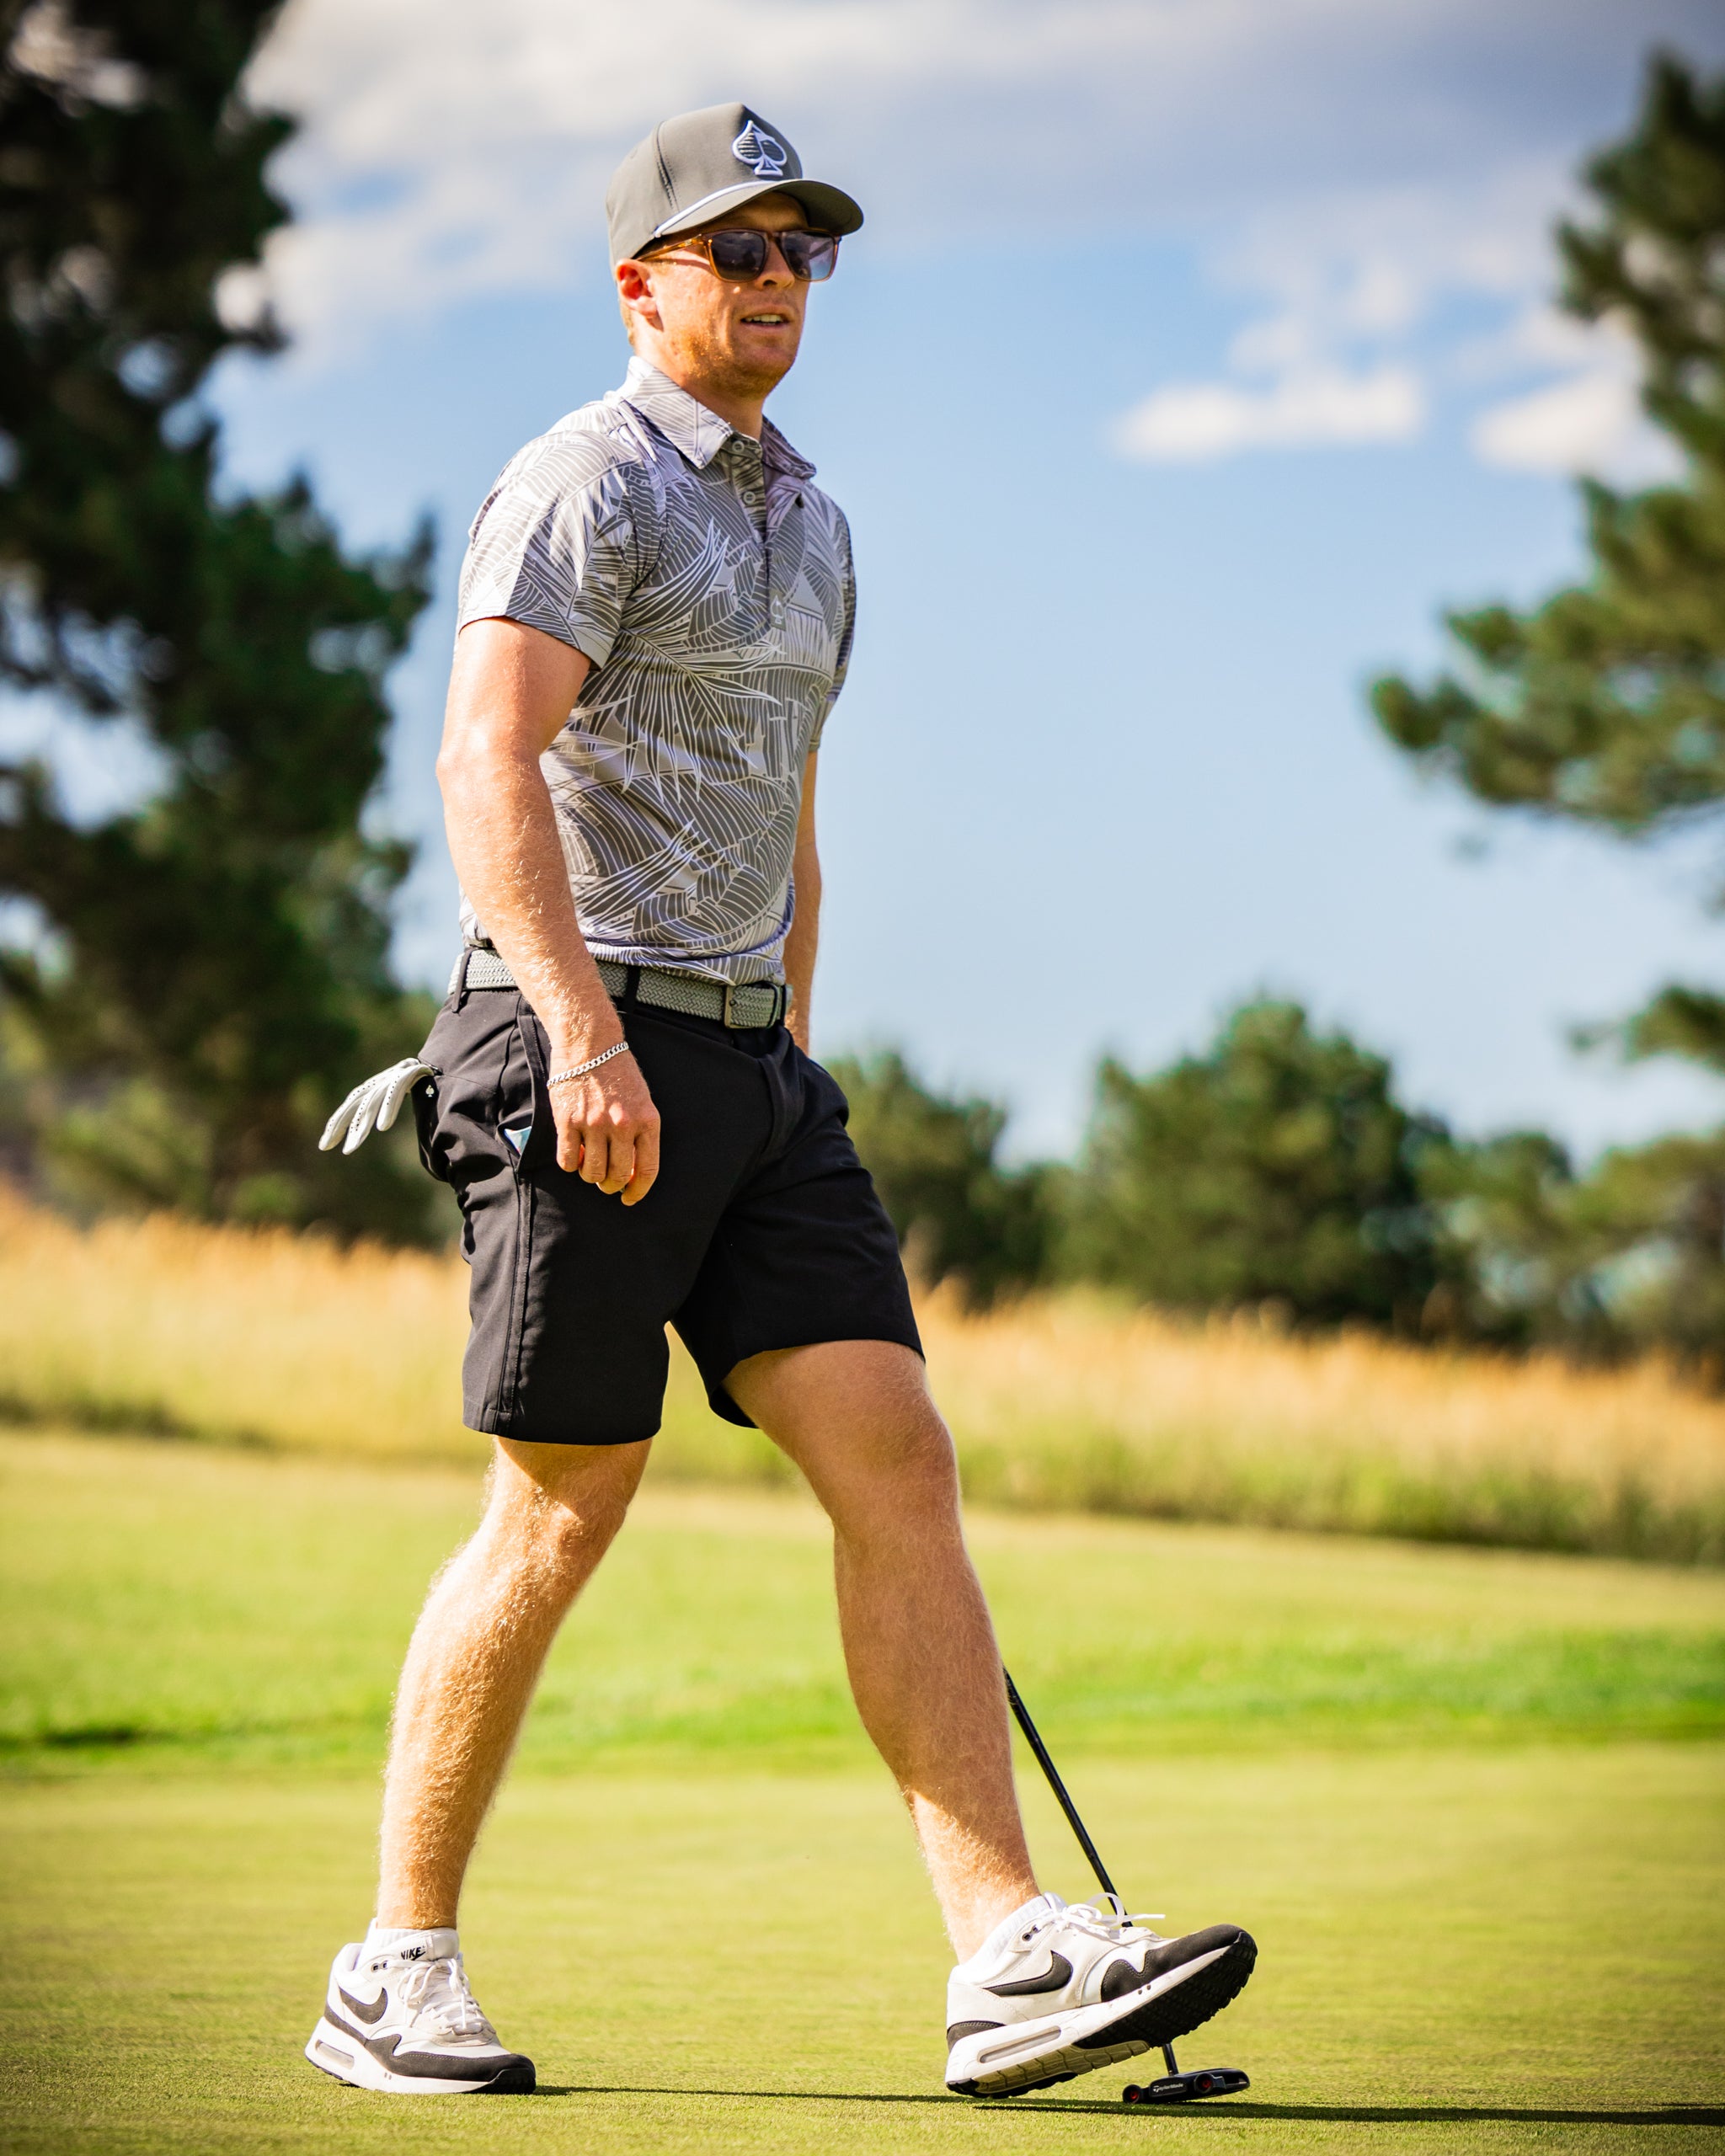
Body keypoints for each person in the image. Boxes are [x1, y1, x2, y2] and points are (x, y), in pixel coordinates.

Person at [307, 101, 1255, 2101]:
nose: (772, 285)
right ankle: (392, 1964)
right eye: (735, 252)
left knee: (895, 1451)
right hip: (571, 1040)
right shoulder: (579, 481)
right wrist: (578, 1031)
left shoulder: (811, 519)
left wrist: (784, 1052)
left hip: (749, 1065)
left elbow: (791, 825)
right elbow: (488, 757)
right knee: (567, 1499)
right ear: (641, 283)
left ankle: (1004, 1953)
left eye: (801, 254)